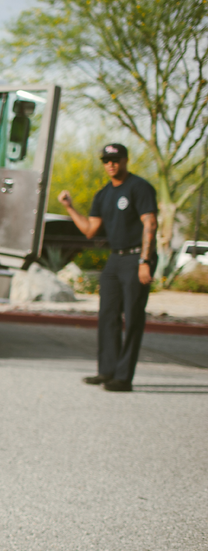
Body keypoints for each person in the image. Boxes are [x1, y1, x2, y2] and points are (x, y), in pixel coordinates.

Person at [58, 142, 158, 392]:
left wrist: (145, 261)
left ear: (125, 160)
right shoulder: (103, 194)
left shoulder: (140, 187)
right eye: (106, 160)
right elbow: (90, 230)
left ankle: (123, 378)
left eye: (115, 159)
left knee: (132, 317)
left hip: (137, 258)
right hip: (115, 259)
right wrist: (69, 207)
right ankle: (107, 371)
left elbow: (151, 224)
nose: (110, 164)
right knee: (107, 315)